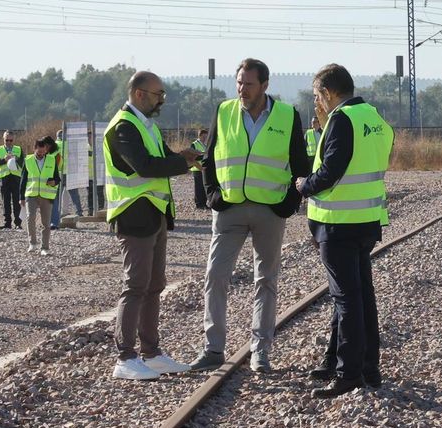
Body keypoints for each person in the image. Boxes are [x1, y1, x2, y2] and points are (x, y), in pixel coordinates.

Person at [188, 59, 311, 374]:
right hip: (229, 209)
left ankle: (260, 351)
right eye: (239, 82)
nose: (242, 89)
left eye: (249, 84)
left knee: (266, 280)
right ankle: (213, 349)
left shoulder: (287, 115)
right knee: (215, 275)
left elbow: (300, 164)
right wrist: (212, 195)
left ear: (265, 85)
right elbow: (208, 157)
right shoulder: (224, 111)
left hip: (270, 210)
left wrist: (289, 203)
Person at [297, 63, 391, 399]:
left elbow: (331, 171)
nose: (316, 102)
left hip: (338, 223)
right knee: (360, 295)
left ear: (327, 92)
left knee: (346, 298)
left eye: (316, 95)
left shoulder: (341, 119)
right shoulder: (374, 118)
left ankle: (348, 374)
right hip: (366, 220)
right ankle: (364, 366)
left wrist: (304, 185)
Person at [104, 71, 203, 381]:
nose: (162, 100)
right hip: (134, 214)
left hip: (154, 213)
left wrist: (188, 158)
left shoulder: (146, 126)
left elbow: (164, 159)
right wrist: (183, 161)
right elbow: (145, 166)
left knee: (154, 284)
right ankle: (125, 357)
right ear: (139, 94)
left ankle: (151, 353)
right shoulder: (123, 127)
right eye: (158, 94)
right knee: (135, 285)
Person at [22, 136, 60, 255]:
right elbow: (23, 180)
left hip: (46, 195)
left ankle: (45, 248)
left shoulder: (51, 160)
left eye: (44, 152)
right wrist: (21, 197)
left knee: (46, 223)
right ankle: (32, 243)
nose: (42, 154)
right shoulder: (28, 160)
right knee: (30, 218)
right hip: (31, 194)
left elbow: (57, 178)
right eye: (39, 152)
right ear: (34, 149)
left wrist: (54, 182)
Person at [0, 131, 23, 229]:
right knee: (5, 201)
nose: (9, 142)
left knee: (17, 201)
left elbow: (23, 163)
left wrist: (16, 158)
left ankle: (18, 223)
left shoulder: (18, 149)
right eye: (7, 140)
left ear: (14, 140)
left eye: (11, 140)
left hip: (16, 178)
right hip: (3, 178)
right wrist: (4, 160)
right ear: (3, 139)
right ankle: (7, 223)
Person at [191, 128, 210, 212]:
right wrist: (204, 156)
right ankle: (199, 204)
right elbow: (193, 157)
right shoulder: (194, 144)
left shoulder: (205, 145)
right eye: (204, 136)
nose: (205, 138)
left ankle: (204, 204)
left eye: (206, 136)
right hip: (196, 169)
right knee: (198, 188)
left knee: (203, 187)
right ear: (200, 136)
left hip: (203, 169)